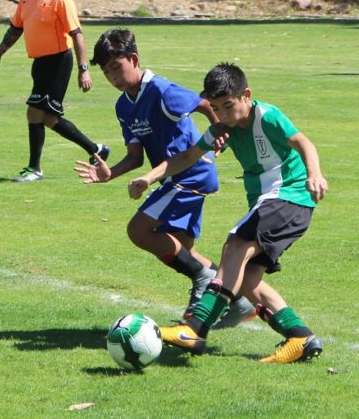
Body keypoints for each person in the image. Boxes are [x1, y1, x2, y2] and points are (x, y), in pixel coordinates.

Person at [129, 62, 328, 363]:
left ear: (246, 95)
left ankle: (195, 328)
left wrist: (315, 174)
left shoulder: (267, 116)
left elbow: (304, 142)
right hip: (273, 204)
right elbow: (187, 157)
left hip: (289, 196)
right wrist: (150, 177)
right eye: (217, 109)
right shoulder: (223, 128)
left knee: (234, 247)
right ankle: (300, 336)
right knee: (247, 281)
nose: (223, 115)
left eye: (228, 106)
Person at [74, 29, 256, 326]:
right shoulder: (123, 106)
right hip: (172, 177)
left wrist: (217, 131)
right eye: (106, 72)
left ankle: (202, 282)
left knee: (139, 230)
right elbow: (135, 156)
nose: (112, 77)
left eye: (116, 67)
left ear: (134, 59)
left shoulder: (160, 90)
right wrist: (109, 174)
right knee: (184, 252)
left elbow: (204, 103)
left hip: (190, 173)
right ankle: (238, 302)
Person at [0, 0, 109, 182]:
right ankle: (96, 149)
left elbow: (77, 35)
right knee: (49, 118)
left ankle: (35, 169)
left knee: (34, 112)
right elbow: (16, 28)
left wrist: (84, 69)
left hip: (58, 62)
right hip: (40, 63)